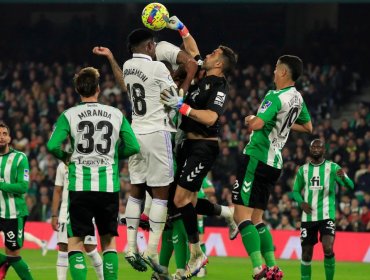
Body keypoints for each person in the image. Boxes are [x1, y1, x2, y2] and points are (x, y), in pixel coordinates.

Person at [161, 16, 238, 277]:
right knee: (184, 202)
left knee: (181, 199)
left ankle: (197, 254)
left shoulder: (219, 85)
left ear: (220, 64)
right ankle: (226, 213)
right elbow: (193, 51)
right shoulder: (203, 72)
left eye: (214, 52)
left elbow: (211, 117)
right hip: (186, 145)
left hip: (204, 147)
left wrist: (181, 106)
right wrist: (182, 28)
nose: (209, 52)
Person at [47, 67, 140, 280]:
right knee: (108, 241)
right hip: (108, 188)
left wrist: (66, 157)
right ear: (98, 88)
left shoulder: (68, 115)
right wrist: (115, 154)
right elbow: (134, 146)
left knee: (76, 241)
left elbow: (52, 145)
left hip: (80, 187)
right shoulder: (116, 114)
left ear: (78, 90)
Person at [232, 55, 313, 279]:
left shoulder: (274, 96)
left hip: (257, 157)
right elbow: (308, 127)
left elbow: (257, 124)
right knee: (257, 219)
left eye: (277, 68)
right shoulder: (298, 99)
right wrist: (282, 126)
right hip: (274, 163)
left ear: (284, 72)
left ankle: (258, 268)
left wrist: (250, 119)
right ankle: (273, 267)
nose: (274, 71)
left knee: (241, 216)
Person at [292, 139, 354, 280]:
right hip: (308, 217)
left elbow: (350, 186)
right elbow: (295, 190)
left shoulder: (332, 167)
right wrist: (301, 202)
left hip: (326, 215)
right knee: (306, 254)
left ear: (324, 150)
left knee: (328, 247)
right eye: (313, 146)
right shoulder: (303, 170)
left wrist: (343, 177)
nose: (316, 149)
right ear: (309, 149)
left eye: (319, 147)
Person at [51, 161, 104, 280]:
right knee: (63, 248)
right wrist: (54, 215)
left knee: (90, 248)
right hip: (65, 213)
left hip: (86, 212)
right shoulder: (62, 165)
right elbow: (57, 190)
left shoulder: (90, 161)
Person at [0, 122, 34, 280]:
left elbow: (22, 186)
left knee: (13, 254)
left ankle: (5, 262)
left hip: (13, 213)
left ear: (9, 138)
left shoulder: (20, 158)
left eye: (4, 134)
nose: (1, 137)